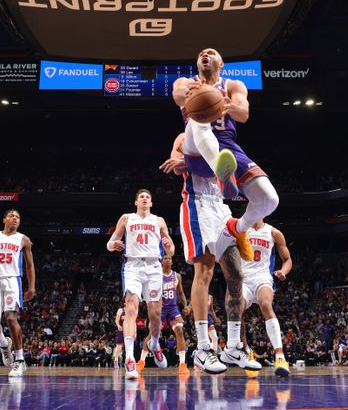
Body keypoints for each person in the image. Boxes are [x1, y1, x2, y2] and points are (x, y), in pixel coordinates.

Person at [160, 133, 261, 374]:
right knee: (204, 272)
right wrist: (192, 163)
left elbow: (232, 181)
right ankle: (203, 348)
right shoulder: (185, 137)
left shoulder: (224, 140)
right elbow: (176, 166)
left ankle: (234, 347)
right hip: (197, 204)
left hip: (221, 207)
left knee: (236, 275)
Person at [172, 47, 279, 256]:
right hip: (197, 147)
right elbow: (178, 96)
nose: (205, 55)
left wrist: (228, 104)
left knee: (269, 199)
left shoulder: (233, 85)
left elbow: (244, 114)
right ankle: (222, 174)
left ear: (221, 63)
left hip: (227, 146)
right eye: (201, 53)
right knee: (199, 121)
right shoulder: (185, 82)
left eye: (211, 53)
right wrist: (194, 94)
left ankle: (236, 228)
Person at [106, 189, 175, 380]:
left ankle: (154, 343)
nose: (145, 199)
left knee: (155, 315)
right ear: (136, 202)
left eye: (148, 197)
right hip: (133, 266)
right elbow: (110, 243)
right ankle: (129, 359)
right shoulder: (127, 218)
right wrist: (114, 245)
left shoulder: (159, 220)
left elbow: (171, 250)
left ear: (151, 203)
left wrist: (169, 247)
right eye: (141, 197)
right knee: (131, 308)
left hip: (154, 267)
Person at [0, 208, 36, 377]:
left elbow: (29, 265)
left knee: (11, 318)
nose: (15, 218)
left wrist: (31, 287)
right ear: (4, 219)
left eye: (18, 217)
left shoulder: (23, 240)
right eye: (11, 216)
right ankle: (5, 344)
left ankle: (20, 360)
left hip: (13, 280)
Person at [239, 219, 292, 377]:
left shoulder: (274, 233)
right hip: (243, 279)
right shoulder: (240, 229)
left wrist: (283, 271)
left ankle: (280, 357)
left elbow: (287, 260)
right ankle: (247, 353)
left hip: (263, 277)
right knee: (236, 310)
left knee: (266, 305)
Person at [139, 255, 192, 373]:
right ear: (161, 261)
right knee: (152, 333)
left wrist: (185, 306)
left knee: (179, 331)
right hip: (160, 309)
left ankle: (182, 364)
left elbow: (181, 292)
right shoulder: (156, 276)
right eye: (165, 258)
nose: (167, 260)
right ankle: (141, 361)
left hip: (173, 309)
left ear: (172, 262)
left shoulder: (177, 276)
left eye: (169, 258)